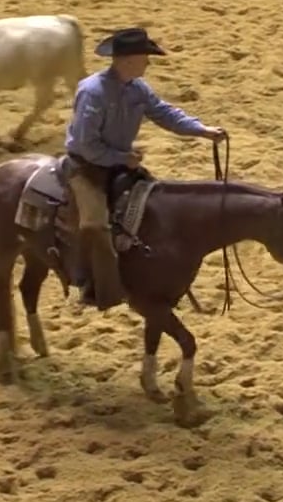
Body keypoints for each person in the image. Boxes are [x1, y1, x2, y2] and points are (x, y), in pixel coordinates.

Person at [63, 27, 226, 310]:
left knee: (157, 212)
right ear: (127, 60)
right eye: (144, 57)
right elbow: (87, 145)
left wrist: (201, 130)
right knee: (95, 225)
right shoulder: (92, 92)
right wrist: (122, 158)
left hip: (120, 163)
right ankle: (95, 286)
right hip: (87, 168)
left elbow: (164, 113)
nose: (148, 63)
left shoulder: (138, 88)